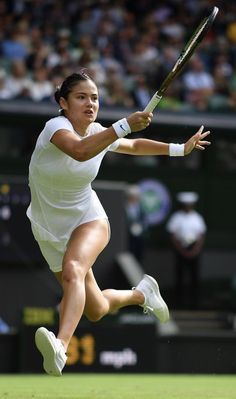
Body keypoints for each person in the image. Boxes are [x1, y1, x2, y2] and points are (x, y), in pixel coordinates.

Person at [26, 71, 211, 376]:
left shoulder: (100, 132)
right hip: (48, 229)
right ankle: (142, 295)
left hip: (88, 218)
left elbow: (134, 147)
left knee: (74, 269)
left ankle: (60, 346)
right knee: (96, 309)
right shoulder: (55, 128)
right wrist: (124, 125)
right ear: (64, 103)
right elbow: (80, 151)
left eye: (95, 98)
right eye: (81, 97)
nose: (90, 103)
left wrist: (180, 149)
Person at [166, 192, 207, 309]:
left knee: (195, 277)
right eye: (186, 204)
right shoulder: (176, 217)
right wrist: (181, 250)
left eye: (190, 204)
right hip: (181, 249)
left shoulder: (197, 217)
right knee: (180, 276)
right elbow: (173, 235)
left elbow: (201, 235)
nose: (188, 206)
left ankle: (195, 303)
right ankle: (179, 302)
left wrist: (195, 250)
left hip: (194, 250)